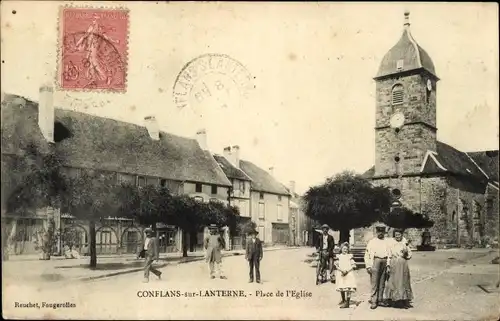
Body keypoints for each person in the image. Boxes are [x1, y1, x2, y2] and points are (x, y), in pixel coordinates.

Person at [364, 223, 391, 309]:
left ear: (384, 232)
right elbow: (367, 254)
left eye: (382, 231)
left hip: (385, 260)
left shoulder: (387, 242)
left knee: (382, 282)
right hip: (375, 260)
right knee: (374, 282)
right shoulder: (372, 242)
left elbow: (389, 253)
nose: (380, 233)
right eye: (379, 231)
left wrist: (388, 264)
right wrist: (368, 266)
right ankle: (373, 301)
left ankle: (380, 299)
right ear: (376, 232)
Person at [385, 229, 413, 308]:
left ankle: (404, 300)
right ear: (394, 235)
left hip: (403, 264)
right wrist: (388, 265)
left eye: (399, 234)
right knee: (393, 281)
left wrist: (406, 253)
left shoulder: (404, 244)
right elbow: (389, 255)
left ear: (402, 235)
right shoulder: (391, 244)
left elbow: (409, 255)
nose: (398, 236)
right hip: (394, 264)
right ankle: (393, 300)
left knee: (404, 281)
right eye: (396, 235)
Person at [334, 242, 357, 308]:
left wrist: (347, 271)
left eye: (346, 249)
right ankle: (343, 300)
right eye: (344, 249)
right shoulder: (339, 256)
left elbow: (353, 265)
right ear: (341, 249)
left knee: (349, 287)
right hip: (341, 273)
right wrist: (342, 270)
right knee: (342, 287)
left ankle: (347, 302)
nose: (345, 250)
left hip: (349, 273)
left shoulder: (350, 256)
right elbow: (336, 265)